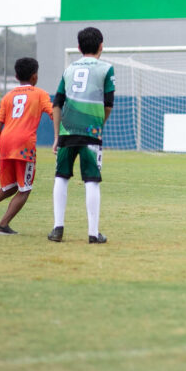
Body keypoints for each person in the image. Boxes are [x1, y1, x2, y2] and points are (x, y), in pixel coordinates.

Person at [0, 57, 54, 235]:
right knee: (25, 188)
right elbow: (54, 114)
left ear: (16, 76)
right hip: (24, 145)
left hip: (5, 143)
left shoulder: (8, 97)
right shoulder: (40, 94)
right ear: (34, 76)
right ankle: (2, 225)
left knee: (11, 186)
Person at [50, 27, 116, 244]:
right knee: (92, 180)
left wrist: (57, 135)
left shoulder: (68, 70)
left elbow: (56, 104)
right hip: (91, 132)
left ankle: (57, 228)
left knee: (61, 177)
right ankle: (93, 232)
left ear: (78, 48)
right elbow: (108, 105)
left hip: (66, 130)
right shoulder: (106, 69)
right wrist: (99, 125)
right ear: (101, 46)